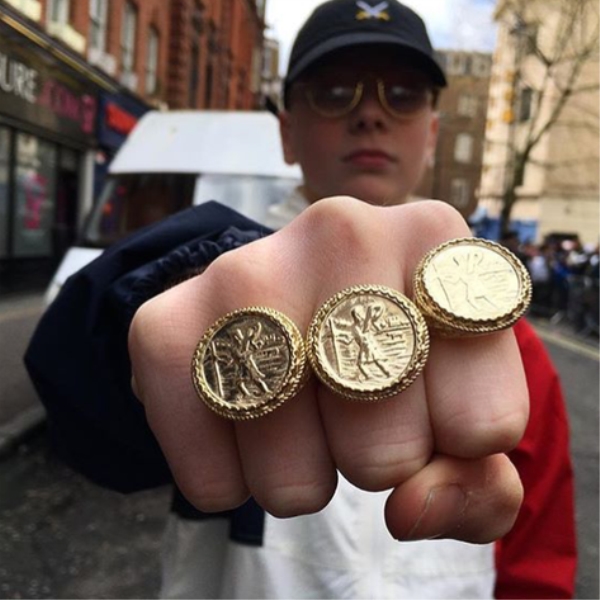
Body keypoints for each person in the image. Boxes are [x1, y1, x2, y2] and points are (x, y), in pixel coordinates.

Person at [24, 1, 576, 598]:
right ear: (286, 132)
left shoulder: (509, 344)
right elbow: (84, 412)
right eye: (334, 92)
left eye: (403, 94)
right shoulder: (210, 278)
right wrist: (175, 295)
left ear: (433, 134)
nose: (370, 113)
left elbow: (540, 563)